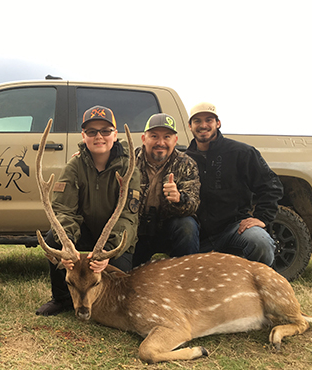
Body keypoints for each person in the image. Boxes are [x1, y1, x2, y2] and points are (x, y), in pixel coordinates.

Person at [36, 105, 141, 316]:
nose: (99, 136)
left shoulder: (129, 169)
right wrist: (69, 245)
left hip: (113, 239)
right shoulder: (74, 166)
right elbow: (63, 210)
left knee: (119, 284)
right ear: (84, 136)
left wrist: (110, 250)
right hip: (82, 234)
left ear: (115, 135)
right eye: (92, 132)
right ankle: (62, 299)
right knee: (53, 240)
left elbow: (128, 215)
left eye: (105, 131)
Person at [186, 102, 283, 266]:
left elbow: (271, 186)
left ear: (218, 123)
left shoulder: (242, 153)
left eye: (209, 120)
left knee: (260, 242)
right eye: (197, 121)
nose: (203, 125)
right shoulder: (184, 159)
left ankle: (260, 285)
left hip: (235, 229)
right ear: (190, 126)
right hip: (198, 234)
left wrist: (262, 217)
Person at [131, 113, 200, 267]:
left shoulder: (187, 164)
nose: (160, 142)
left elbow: (193, 203)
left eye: (167, 137)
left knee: (187, 226)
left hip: (167, 228)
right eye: (154, 136)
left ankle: (186, 276)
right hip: (137, 229)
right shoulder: (129, 160)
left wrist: (179, 198)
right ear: (144, 139)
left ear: (175, 140)